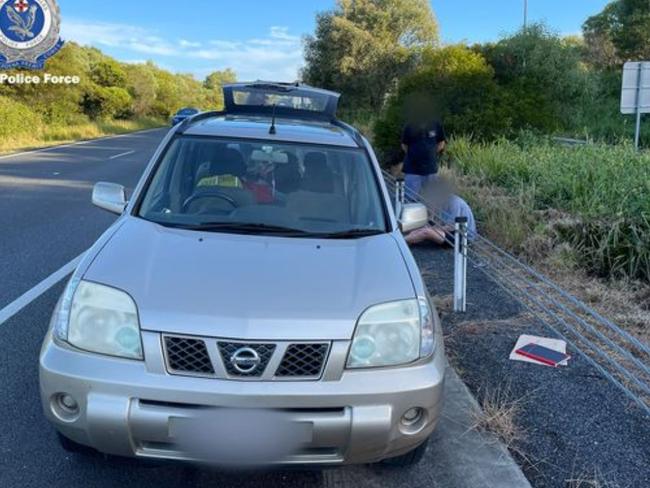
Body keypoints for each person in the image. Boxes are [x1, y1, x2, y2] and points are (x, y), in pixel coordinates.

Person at [401, 117, 446, 196]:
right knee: (409, 201)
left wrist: (432, 154)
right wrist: (414, 155)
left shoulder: (436, 124)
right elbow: (404, 145)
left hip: (431, 170)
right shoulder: (410, 125)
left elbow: (441, 142)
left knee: (432, 200)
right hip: (412, 171)